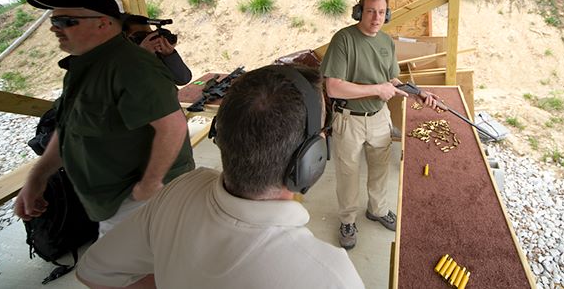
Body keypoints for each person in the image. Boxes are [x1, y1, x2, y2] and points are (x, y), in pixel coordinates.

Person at [75, 65, 364, 289]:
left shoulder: (179, 191)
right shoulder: (331, 277)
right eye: (324, 128)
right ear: (311, 158)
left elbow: (94, 271)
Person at [14, 0, 195, 238]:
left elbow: (173, 126)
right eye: (54, 21)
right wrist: (38, 176)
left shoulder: (131, 66)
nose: (55, 28)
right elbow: (68, 128)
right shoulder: (85, 65)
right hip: (112, 199)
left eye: (66, 21)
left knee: (125, 262)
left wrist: (149, 184)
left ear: (103, 23)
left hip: (136, 199)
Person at [321, 0, 435, 250]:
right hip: (349, 119)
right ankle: (348, 220)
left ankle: (378, 210)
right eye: (371, 11)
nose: (376, 18)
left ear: (387, 15)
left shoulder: (386, 42)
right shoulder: (344, 40)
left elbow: (391, 80)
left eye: (382, 12)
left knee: (380, 170)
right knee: (348, 174)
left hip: (379, 117)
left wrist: (417, 92)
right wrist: (376, 90)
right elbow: (333, 87)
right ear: (359, 12)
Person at [122, 14, 193, 85]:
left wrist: (169, 55)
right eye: (139, 36)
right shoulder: (122, 63)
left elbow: (183, 79)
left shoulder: (155, 53)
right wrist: (142, 55)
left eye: (150, 33)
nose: (147, 39)